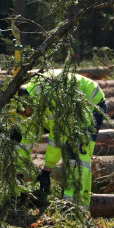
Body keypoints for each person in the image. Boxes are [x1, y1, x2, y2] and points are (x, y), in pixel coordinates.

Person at [15, 70, 106, 206]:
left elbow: (58, 138)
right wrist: (19, 173)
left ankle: (71, 204)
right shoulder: (30, 97)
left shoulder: (51, 98)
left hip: (90, 102)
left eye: (23, 112)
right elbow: (24, 140)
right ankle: (83, 203)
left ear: (27, 103)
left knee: (78, 152)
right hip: (68, 107)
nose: (23, 115)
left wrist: (46, 170)